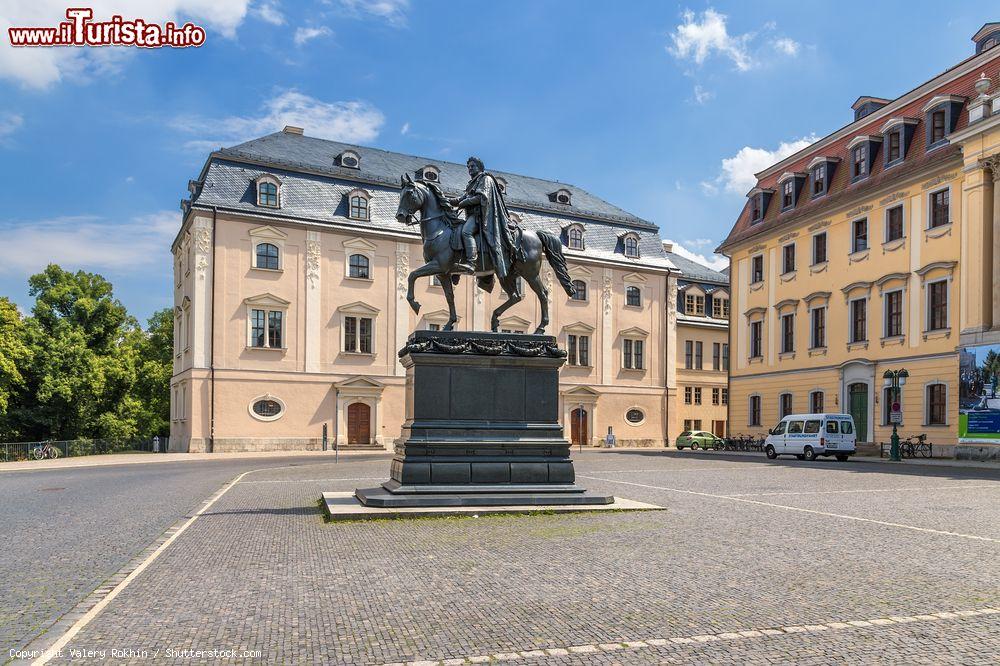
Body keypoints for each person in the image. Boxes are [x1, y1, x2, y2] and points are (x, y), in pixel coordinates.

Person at [450, 156, 521, 276]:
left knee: (466, 232)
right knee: (456, 230)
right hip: (472, 216)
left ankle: (471, 263)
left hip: (482, 217)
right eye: (468, 167)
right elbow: (463, 197)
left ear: (479, 167)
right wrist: (448, 201)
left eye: (472, 166)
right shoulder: (473, 182)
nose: (470, 169)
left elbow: (481, 198)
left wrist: (463, 203)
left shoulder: (485, 179)